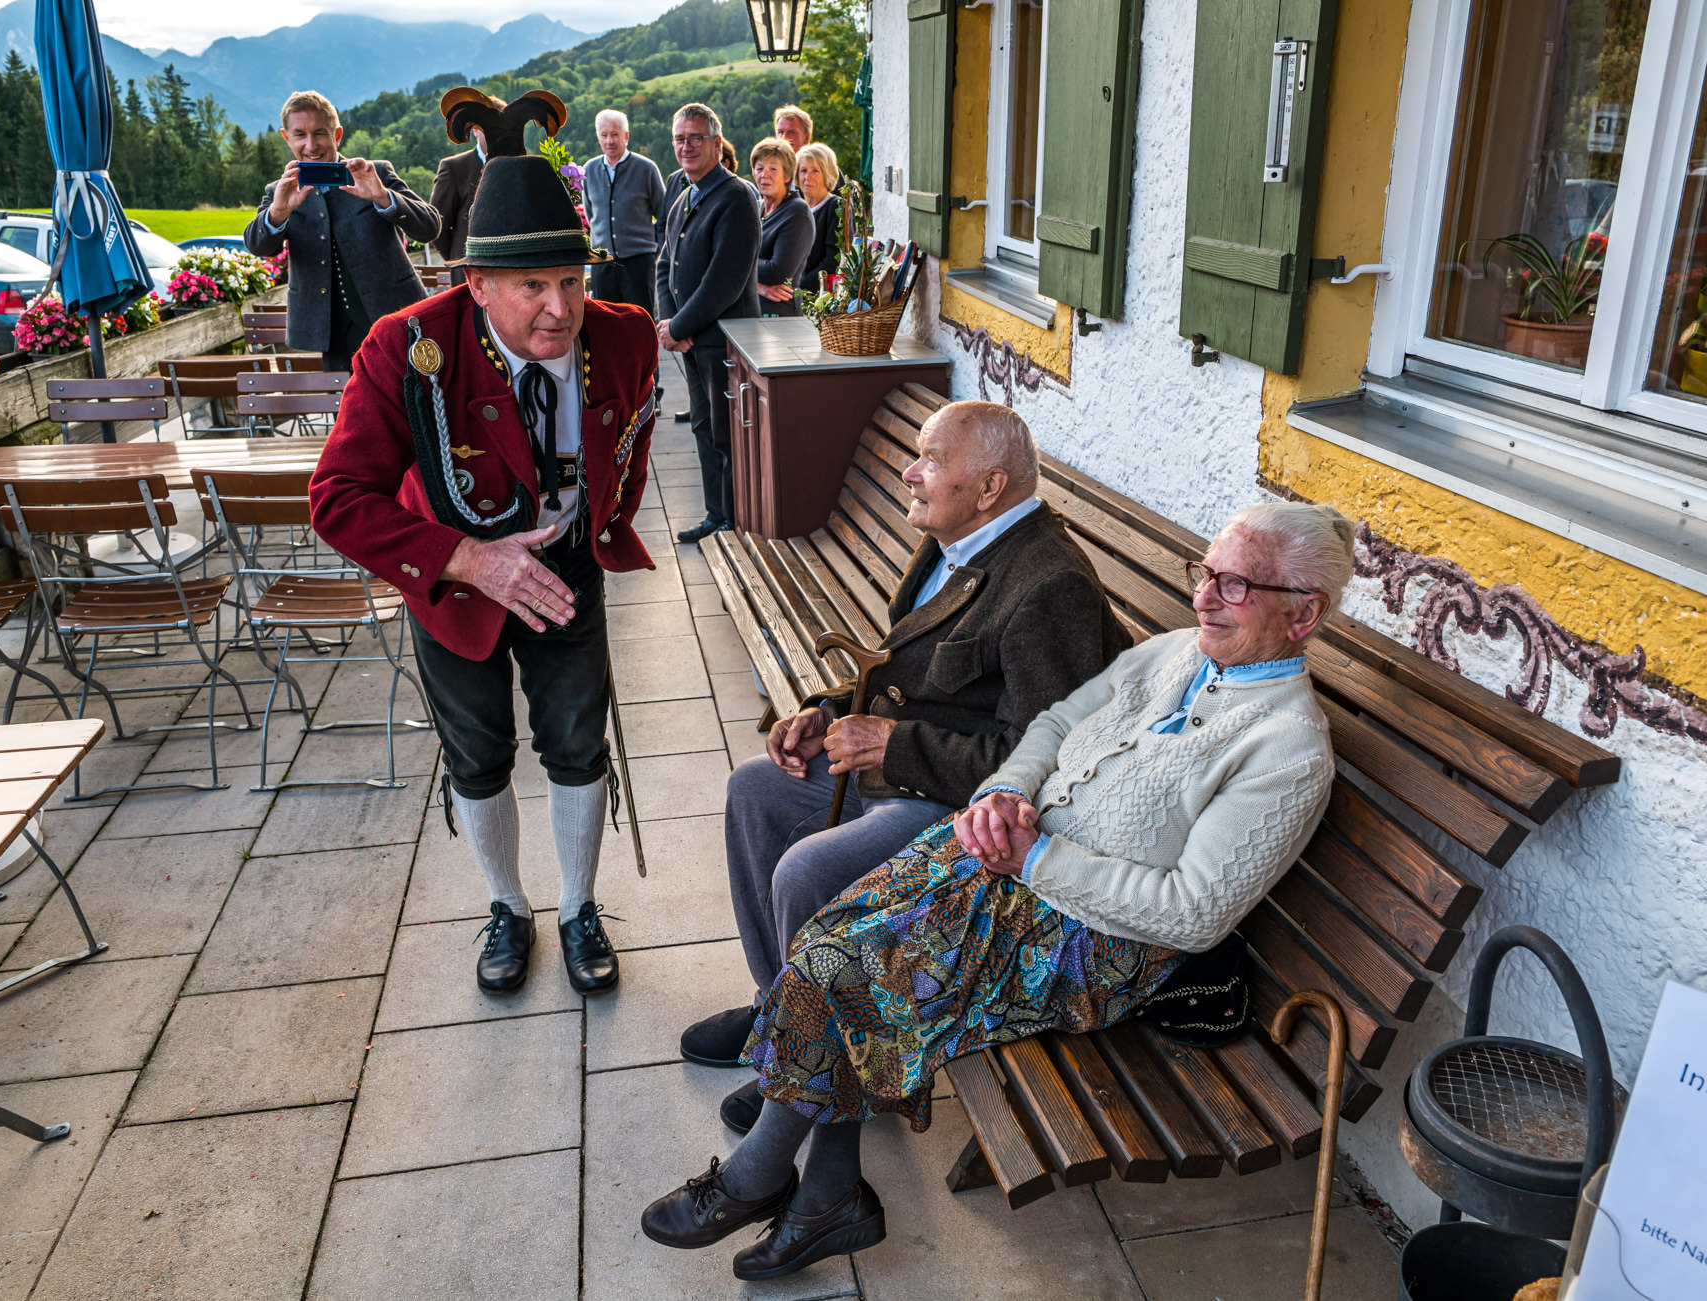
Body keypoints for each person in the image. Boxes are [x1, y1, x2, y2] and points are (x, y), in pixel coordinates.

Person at [644, 500, 1353, 1280]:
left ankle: (754, 1177)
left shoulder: (1287, 750)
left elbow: (1193, 912)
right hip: (1009, 856)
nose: (1205, 596)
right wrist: (1004, 793)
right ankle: (828, 1193)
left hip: (1093, 940)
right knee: (829, 933)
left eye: (1235, 585)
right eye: (1205, 572)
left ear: (1303, 613)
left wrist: (1035, 855)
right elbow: (1051, 724)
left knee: (841, 972)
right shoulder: (1174, 653)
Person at [677, 399, 1131, 1132]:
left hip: (964, 810)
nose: (910, 473)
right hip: (905, 772)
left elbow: (1042, 762)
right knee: (757, 790)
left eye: (931, 461)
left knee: (807, 871)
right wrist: (827, 712)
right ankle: (782, 1015)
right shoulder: (959, 541)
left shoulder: (1051, 586)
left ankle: (810, 1073)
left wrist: (891, 744)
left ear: (989, 487)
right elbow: (909, 668)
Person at [308, 116, 659, 998]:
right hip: (453, 579)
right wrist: (465, 557)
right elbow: (337, 497)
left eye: (572, 280)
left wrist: (599, 524)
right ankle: (507, 904)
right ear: (476, 283)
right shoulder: (405, 348)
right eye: (532, 284)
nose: (560, 308)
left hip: (567, 564)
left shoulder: (627, 335)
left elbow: (633, 440)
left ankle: (578, 906)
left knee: (577, 742)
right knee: (477, 752)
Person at [244, 91, 442, 373]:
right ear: (287, 138)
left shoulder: (375, 173)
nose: (310, 145)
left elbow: (430, 227)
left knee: (412, 396)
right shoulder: (280, 191)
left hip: (396, 318)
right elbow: (257, 245)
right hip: (329, 332)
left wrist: (383, 197)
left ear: (337, 134)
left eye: (320, 133)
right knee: (349, 402)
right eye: (300, 134)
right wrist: (277, 213)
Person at [655, 103, 760, 544]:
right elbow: (665, 264)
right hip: (693, 340)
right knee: (703, 428)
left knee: (727, 434)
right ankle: (715, 515)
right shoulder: (683, 196)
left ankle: (735, 520)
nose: (686, 146)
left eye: (695, 138)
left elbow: (725, 283)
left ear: (716, 143)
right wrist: (668, 320)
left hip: (724, 340)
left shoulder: (736, 197)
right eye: (680, 139)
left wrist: (679, 328)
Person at [583, 109, 665, 320]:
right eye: (604, 135)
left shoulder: (646, 169)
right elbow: (591, 215)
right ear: (598, 136)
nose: (609, 141)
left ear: (626, 136)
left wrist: (656, 252)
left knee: (641, 320)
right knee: (606, 321)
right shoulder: (589, 170)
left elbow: (664, 214)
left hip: (639, 262)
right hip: (603, 263)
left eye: (615, 134)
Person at [751, 138, 812, 318]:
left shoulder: (797, 212)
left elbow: (777, 272)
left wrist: (738, 264)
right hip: (752, 310)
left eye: (773, 169)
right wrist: (758, 287)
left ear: (787, 176)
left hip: (779, 316)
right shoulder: (755, 207)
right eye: (759, 168)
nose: (764, 175)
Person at [431, 121, 487, 266]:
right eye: (487, 127)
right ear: (475, 130)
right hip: (467, 268)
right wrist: (457, 260)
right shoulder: (454, 167)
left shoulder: (516, 167)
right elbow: (437, 226)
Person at [795, 143, 842, 294]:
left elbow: (833, 262)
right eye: (803, 170)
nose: (807, 177)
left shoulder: (837, 208)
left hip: (817, 296)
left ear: (827, 174)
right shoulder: (794, 208)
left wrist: (796, 290)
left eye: (815, 171)